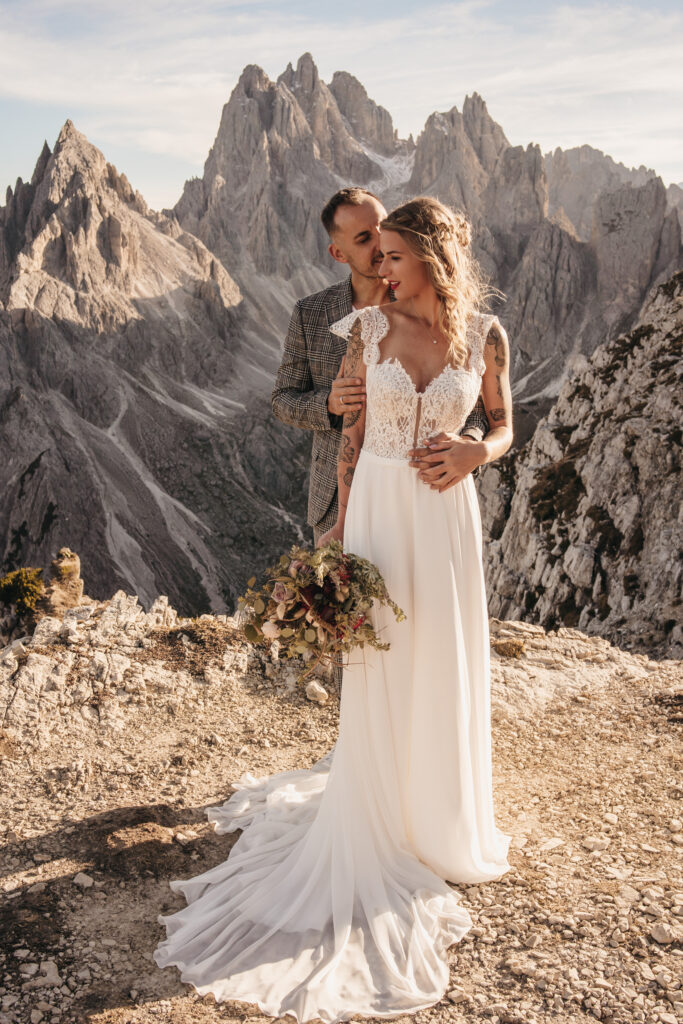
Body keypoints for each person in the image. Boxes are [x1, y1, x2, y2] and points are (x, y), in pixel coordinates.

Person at [153, 195, 513, 1023]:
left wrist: (475, 451)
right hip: (381, 512)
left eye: (391, 254)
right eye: (372, 253)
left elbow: (502, 426)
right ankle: (382, 810)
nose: (379, 269)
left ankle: (439, 817)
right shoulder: (366, 333)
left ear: (430, 253)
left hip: (446, 514)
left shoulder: (484, 334)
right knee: (382, 659)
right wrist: (340, 539)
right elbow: (348, 443)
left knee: (440, 658)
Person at [271, 186, 489, 546]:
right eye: (363, 239)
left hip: (424, 496)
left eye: (381, 229)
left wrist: (467, 445)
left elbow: (476, 406)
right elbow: (282, 399)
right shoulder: (310, 313)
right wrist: (328, 403)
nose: (379, 245)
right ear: (338, 252)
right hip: (336, 504)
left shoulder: (426, 304)